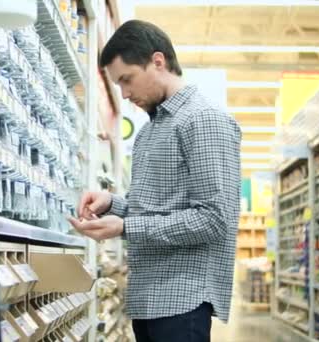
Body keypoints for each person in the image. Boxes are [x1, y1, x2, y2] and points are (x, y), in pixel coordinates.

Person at [67, 20, 242, 342]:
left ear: (158, 62)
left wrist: (125, 227)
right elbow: (158, 207)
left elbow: (213, 218)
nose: (125, 93)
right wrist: (114, 205)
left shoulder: (203, 120)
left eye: (127, 79)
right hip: (148, 297)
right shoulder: (151, 129)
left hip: (182, 298)